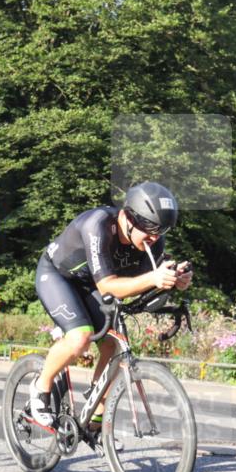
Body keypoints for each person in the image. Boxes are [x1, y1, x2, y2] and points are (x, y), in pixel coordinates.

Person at [29, 181, 193, 428]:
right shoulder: (98, 225)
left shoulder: (152, 239)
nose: (154, 238)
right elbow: (108, 286)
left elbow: (142, 282)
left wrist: (174, 280)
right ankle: (40, 389)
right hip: (58, 276)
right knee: (79, 338)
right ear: (128, 218)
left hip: (91, 284)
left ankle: (95, 417)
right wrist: (153, 277)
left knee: (113, 343)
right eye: (149, 230)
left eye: (160, 232)